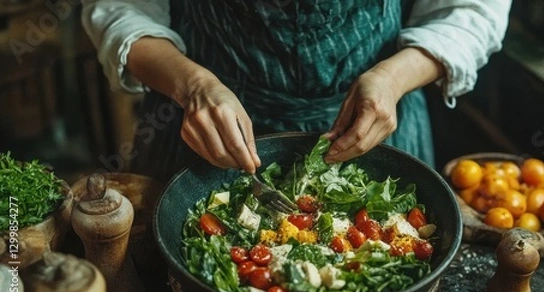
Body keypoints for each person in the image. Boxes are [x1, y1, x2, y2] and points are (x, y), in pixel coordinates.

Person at [82, 0, 511, 181]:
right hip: (201, 125)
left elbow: (473, 10)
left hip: (380, 121)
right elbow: (121, 7)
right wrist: (193, 86)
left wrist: (393, 78)